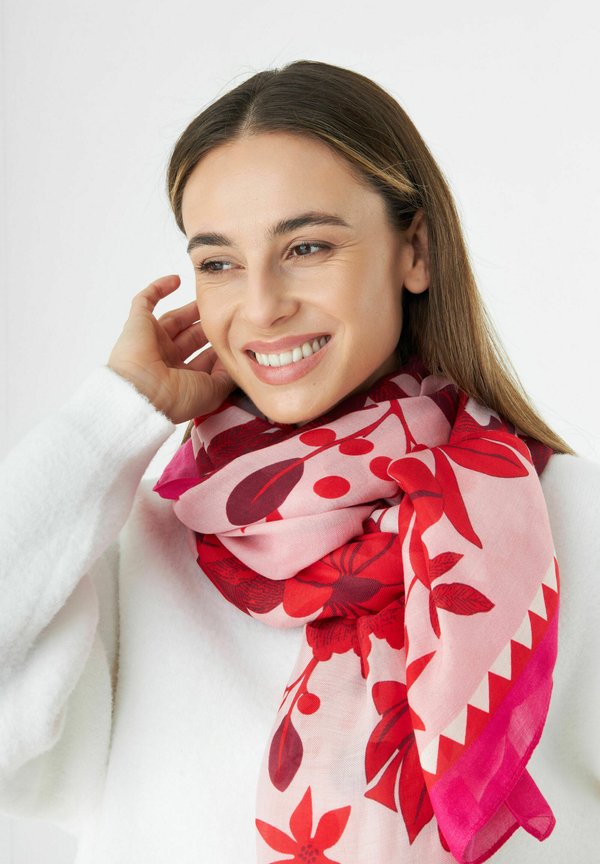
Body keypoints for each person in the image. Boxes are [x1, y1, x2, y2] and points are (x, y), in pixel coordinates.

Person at [1, 59, 598, 864]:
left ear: (415, 251)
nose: (261, 305)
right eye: (218, 263)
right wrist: (109, 418)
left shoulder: (568, 522)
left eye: (307, 246)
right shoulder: (137, 541)